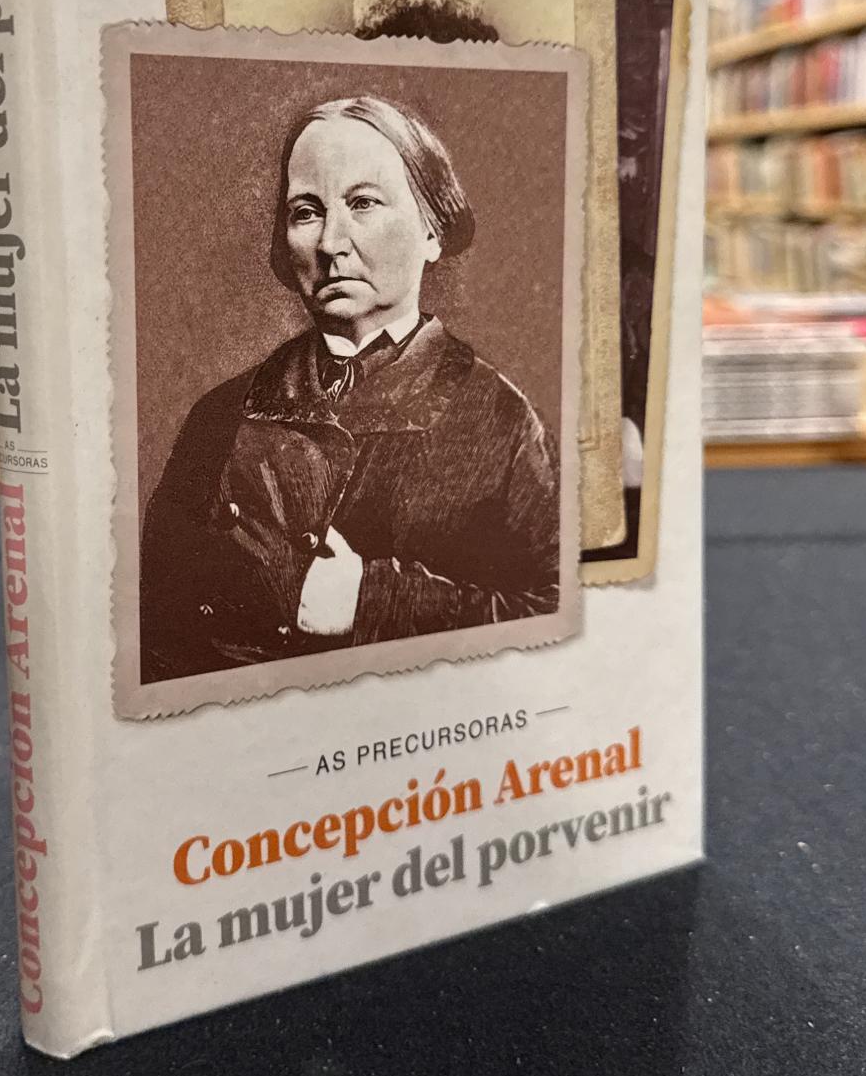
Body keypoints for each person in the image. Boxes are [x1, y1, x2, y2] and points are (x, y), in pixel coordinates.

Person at [139, 94, 561, 685]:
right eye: (306, 212)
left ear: (432, 229)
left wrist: (372, 601)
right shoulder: (223, 413)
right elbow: (154, 625)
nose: (330, 242)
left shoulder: (498, 419)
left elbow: (554, 619)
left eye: (363, 203)